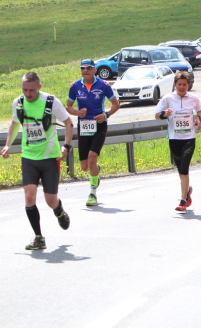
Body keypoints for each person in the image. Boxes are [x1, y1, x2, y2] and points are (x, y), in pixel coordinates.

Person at [2, 72, 74, 250]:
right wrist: (8, 145)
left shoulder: (50, 101)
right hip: (29, 157)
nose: (28, 94)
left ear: (39, 87)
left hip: (50, 158)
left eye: (31, 90)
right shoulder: (18, 103)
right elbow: (14, 124)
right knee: (29, 196)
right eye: (24, 90)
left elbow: (68, 122)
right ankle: (38, 237)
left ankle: (58, 210)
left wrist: (66, 146)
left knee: (50, 201)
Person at [66, 59, 120, 207]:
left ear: (95, 70)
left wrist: (106, 115)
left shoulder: (104, 85)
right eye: (83, 68)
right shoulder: (75, 86)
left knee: (91, 158)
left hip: (99, 125)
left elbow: (116, 104)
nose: (86, 70)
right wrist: (77, 112)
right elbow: (68, 106)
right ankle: (95, 168)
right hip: (84, 126)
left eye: (89, 68)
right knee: (85, 167)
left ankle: (92, 193)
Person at [154, 71, 201, 212]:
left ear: (188, 85)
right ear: (175, 84)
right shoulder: (168, 98)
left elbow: (199, 110)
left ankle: (183, 201)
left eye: (184, 84)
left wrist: (198, 118)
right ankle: (187, 190)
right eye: (179, 84)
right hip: (174, 138)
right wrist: (164, 114)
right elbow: (157, 115)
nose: (182, 87)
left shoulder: (193, 98)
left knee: (184, 168)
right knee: (180, 169)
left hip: (189, 138)